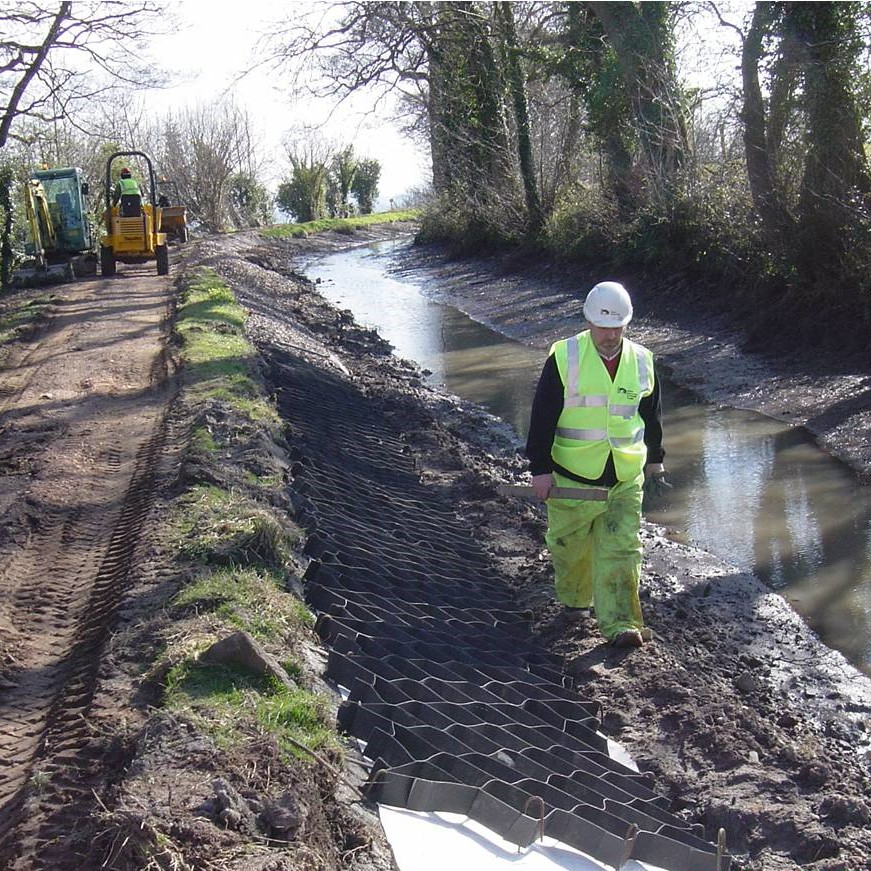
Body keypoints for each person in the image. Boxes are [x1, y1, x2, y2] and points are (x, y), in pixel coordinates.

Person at [524, 281, 669, 648]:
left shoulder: (642, 360)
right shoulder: (564, 357)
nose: (609, 335)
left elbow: (650, 417)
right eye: (603, 327)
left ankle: (621, 623)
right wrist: (540, 468)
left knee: (622, 548)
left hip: (623, 475)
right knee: (570, 549)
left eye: (617, 327)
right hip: (573, 476)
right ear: (588, 322)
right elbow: (542, 416)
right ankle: (575, 602)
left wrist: (655, 460)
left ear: (627, 324)